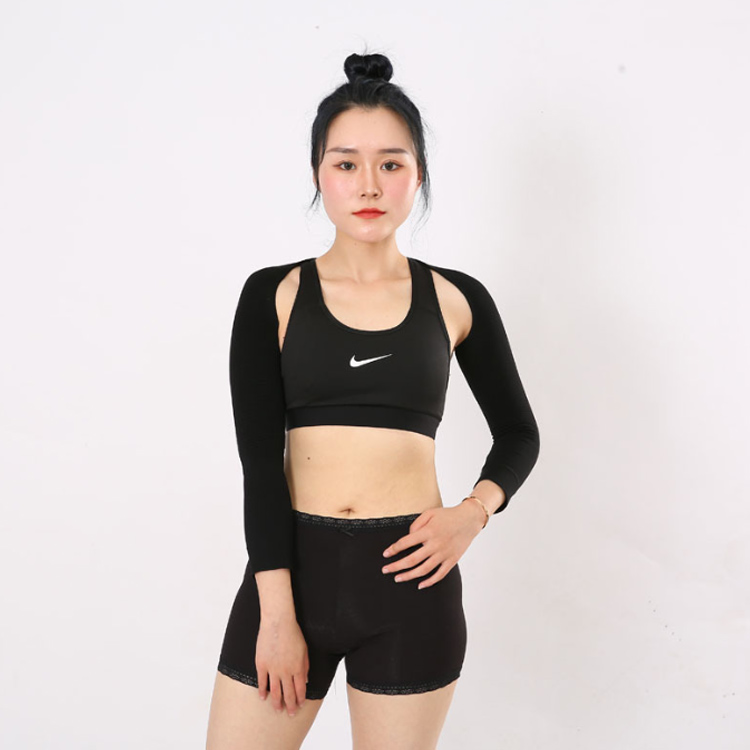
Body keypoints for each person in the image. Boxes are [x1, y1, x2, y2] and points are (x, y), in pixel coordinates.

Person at [205, 51, 540, 750]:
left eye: (391, 163)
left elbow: (518, 432)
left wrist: (473, 513)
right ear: (318, 174)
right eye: (346, 163)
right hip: (290, 578)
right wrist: (276, 615)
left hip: (413, 584)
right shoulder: (274, 294)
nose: (368, 184)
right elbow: (260, 465)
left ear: (419, 174)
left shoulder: (457, 298)